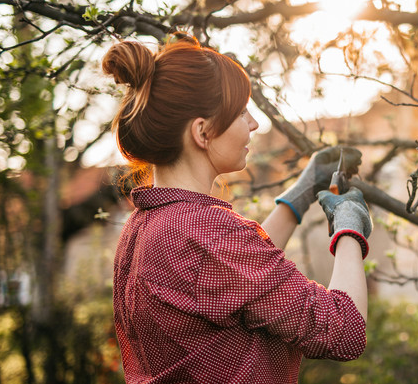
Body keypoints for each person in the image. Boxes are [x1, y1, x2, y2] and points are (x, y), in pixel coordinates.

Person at [105, 33, 372, 384]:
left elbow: (239, 280)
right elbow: (343, 330)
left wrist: (301, 194)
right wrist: (349, 227)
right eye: (241, 112)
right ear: (203, 132)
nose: (253, 123)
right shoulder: (206, 232)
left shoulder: (143, 226)